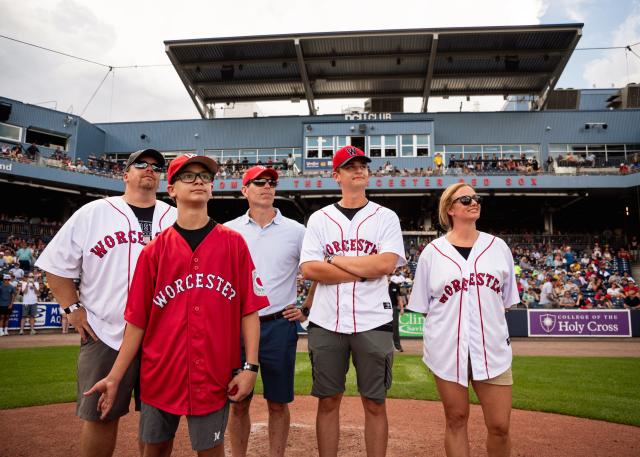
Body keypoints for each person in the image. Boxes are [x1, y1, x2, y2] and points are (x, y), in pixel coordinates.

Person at [85, 154, 268, 457]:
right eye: (188, 176)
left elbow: (249, 311)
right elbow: (137, 322)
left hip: (214, 375)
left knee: (211, 450)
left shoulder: (233, 244)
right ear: (170, 190)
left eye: (205, 177)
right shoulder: (154, 251)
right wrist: (115, 376)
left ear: (212, 189)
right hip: (160, 375)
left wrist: (250, 367)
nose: (198, 181)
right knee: (154, 450)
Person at [34, 148, 176, 457]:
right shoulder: (93, 212)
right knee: (100, 416)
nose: (149, 168)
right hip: (104, 333)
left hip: (164, 338)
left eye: (156, 166)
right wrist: (72, 309)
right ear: (126, 175)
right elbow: (55, 268)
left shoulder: (176, 216)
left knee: (158, 425)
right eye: (141, 164)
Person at [300, 146, 406, 457]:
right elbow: (310, 269)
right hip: (326, 320)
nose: (358, 169)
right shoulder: (320, 219)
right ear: (337, 175)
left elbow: (386, 264)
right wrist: (362, 271)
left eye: (362, 164)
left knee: (375, 402)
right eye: (349, 166)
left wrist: (335, 260)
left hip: (373, 320)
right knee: (328, 400)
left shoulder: (385, 216)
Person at [407, 182, 520, 457]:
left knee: (500, 425)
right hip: (447, 350)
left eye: (476, 198)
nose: (474, 202)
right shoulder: (432, 253)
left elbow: (506, 301)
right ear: (450, 209)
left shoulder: (498, 247)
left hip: (492, 348)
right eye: (465, 199)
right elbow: (423, 306)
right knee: (456, 420)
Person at [224, 165, 308, 457]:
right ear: (244, 190)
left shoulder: (297, 231)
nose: (266, 186)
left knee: (277, 402)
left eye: (271, 182)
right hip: (235, 326)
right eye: (258, 182)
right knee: (238, 400)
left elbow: (318, 270)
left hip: (277, 325)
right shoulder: (227, 230)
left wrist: (305, 307)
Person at [388, 269, 405, 352]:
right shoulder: (380, 286)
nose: (388, 277)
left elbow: (399, 298)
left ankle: (397, 346)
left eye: (389, 275)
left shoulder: (395, 286)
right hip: (382, 309)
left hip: (393, 307)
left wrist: (401, 308)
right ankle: (385, 346)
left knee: (395, 327)